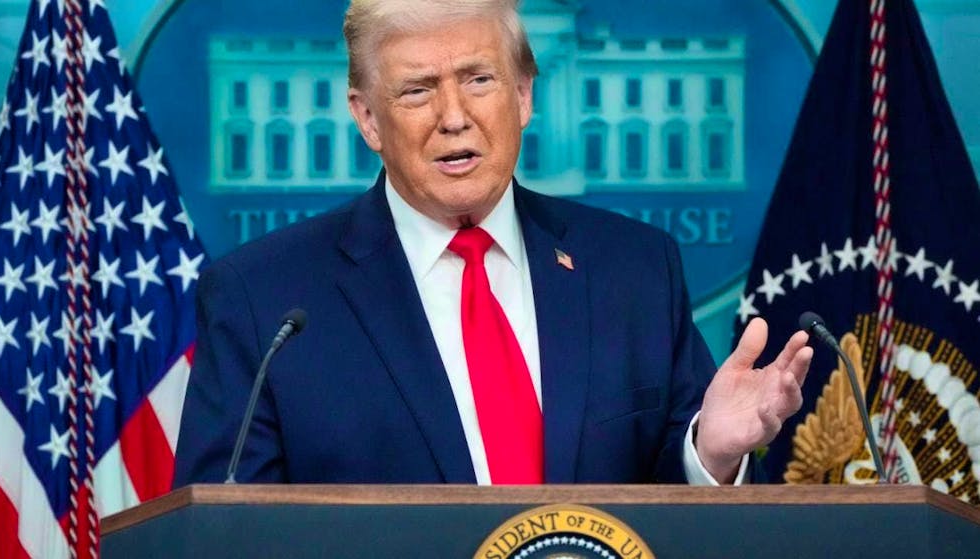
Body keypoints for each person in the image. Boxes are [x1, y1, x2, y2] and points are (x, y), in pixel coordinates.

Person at [173, 0, 812, 487]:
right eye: (418, 90)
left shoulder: (636, 269)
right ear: (368, 118)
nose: (455, 117)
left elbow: (671, 510)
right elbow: (223, 532)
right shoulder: (262, 299)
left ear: (524, 95)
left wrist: (710, 455)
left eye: (479, 79)